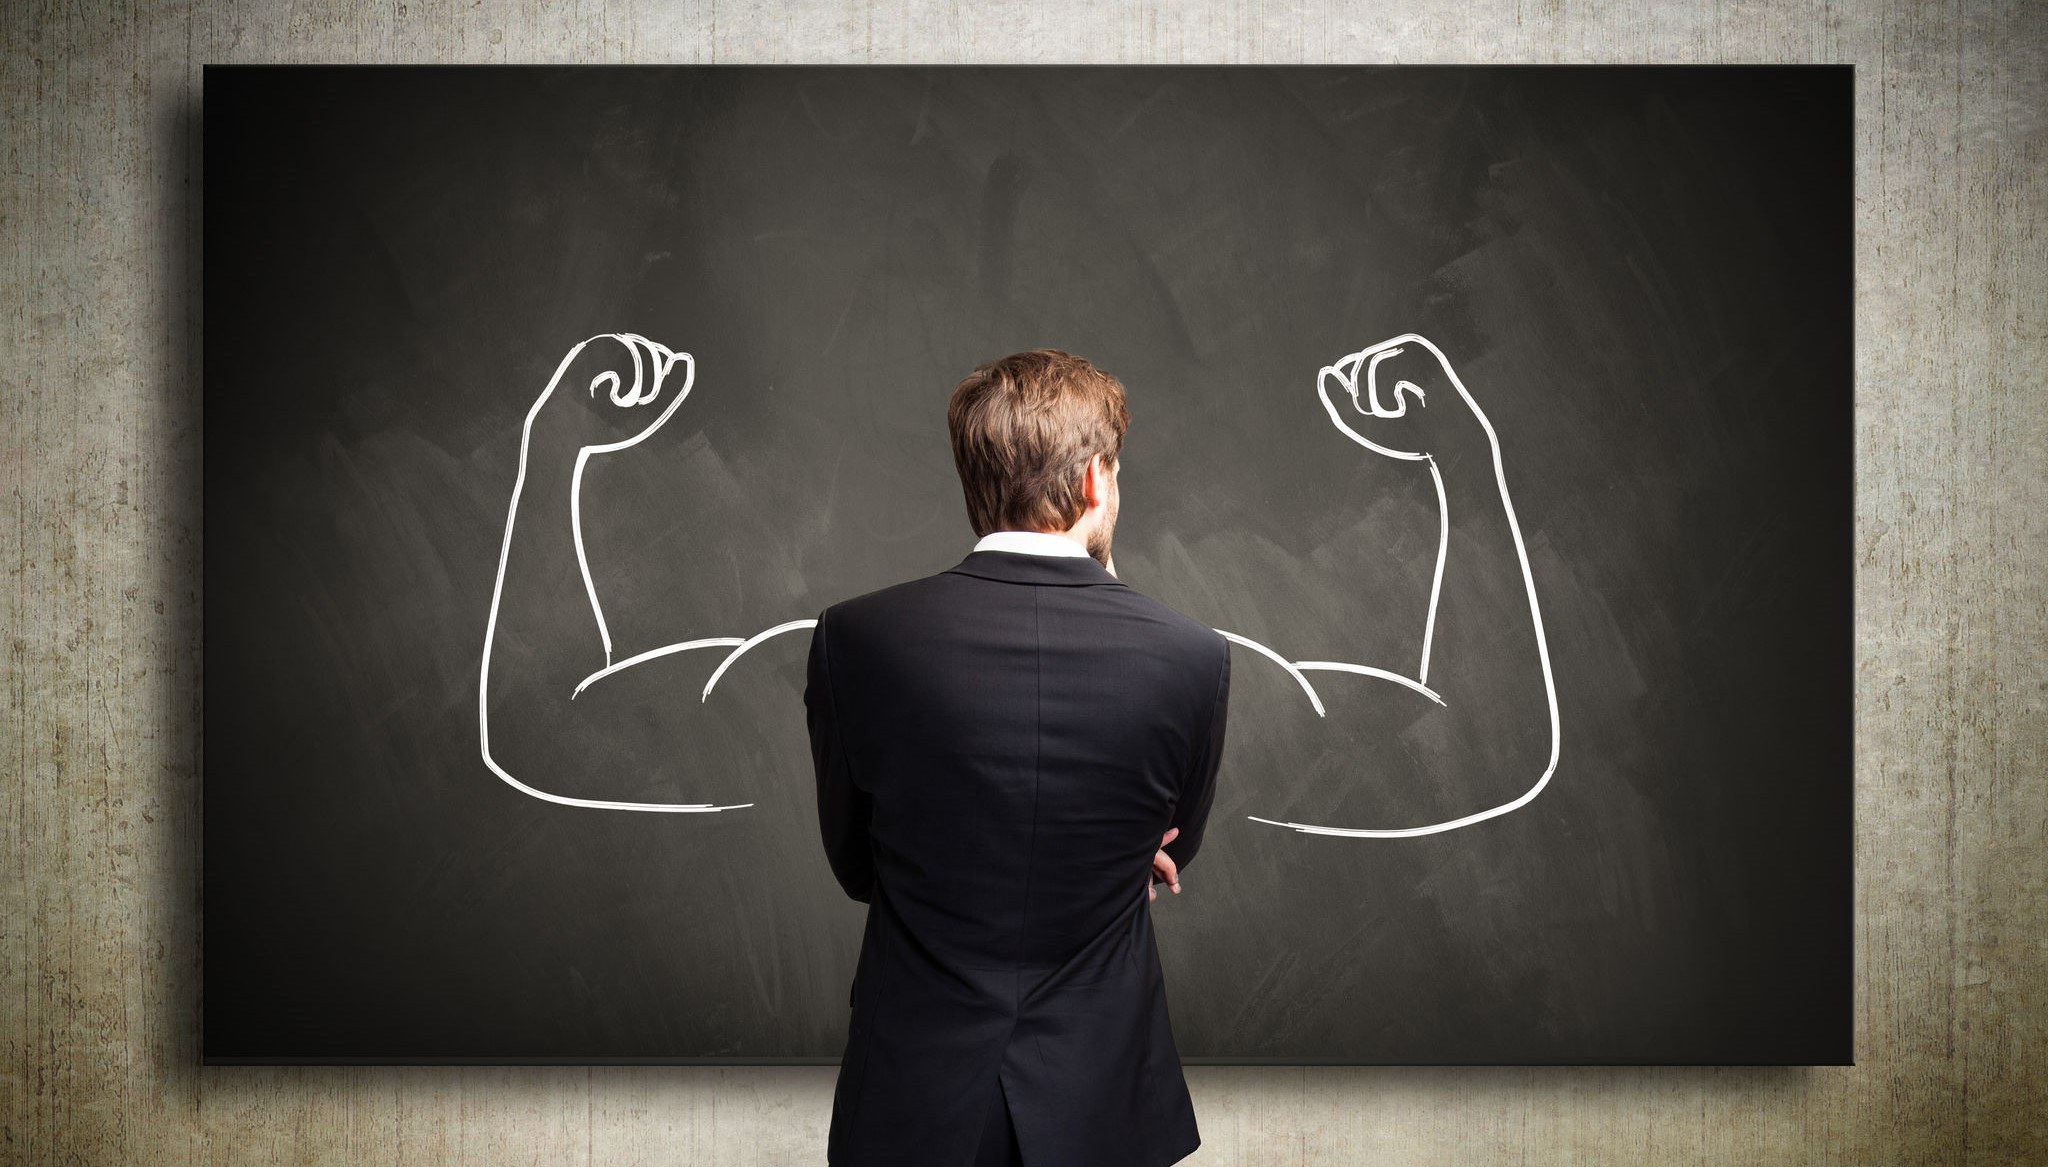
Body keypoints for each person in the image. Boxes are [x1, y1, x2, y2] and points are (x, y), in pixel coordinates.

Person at [804, 349, 1231, 1167]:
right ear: (1096, 480)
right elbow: (1176, 846)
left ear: (973, 485)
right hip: (1104, 1099)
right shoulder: (1190, 657)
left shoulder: (858, 638)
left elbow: (860, 866)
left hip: (913, 1099)